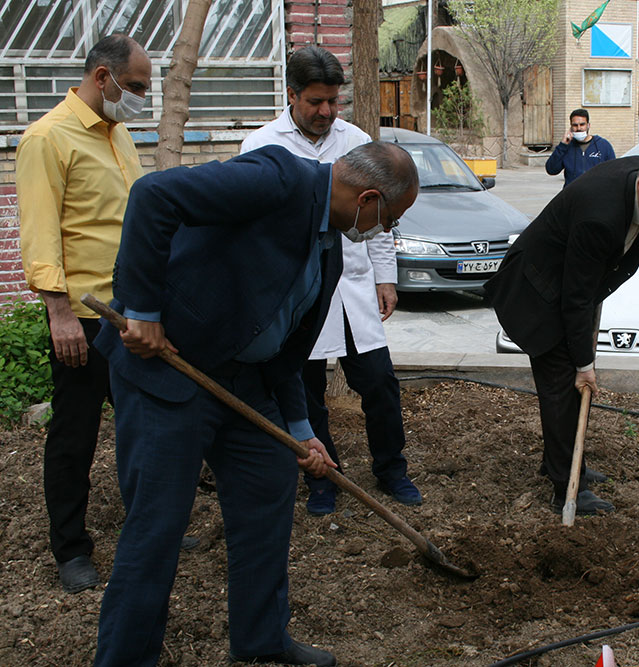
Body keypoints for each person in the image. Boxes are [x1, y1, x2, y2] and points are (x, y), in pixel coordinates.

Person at [91, 141, 419, 667]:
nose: (382, 231)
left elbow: (281, 342)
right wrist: (144, 308)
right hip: (169, 370)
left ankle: (262, 640)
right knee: (157, 526)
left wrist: (299, 426)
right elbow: (153, 195)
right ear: (369, 197)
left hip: (243, 383)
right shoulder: (277, 178)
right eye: (389, 219)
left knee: (270, 478)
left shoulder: (330, 243)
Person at [241, 46, 420, 515]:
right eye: (316, 102)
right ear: (292, 95)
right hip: (297, 292)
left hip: (354, 288)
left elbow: (380, 215)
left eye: (333, 102)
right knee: (307, 391)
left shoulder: (357, 140)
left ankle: (392, 469)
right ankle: (325, 479)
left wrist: (386, 277)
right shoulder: (262, 146)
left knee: (379, 383)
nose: (326, 112)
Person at [486, 147, 639, 514]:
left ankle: (567, 463)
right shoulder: (599, 218)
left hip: (567, 287)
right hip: (537, 295)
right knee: (563, 388)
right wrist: (585, 363)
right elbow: (576, 299)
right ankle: (566, 488)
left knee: (569, 390)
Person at [15, 34, 152, 595]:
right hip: (84, 317)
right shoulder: (47, 138)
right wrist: (59, 314)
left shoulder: (119, 137)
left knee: (143, 426)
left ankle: (149, 524)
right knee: (74, 435)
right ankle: (70, 549)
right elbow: (41, 233)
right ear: (103, 77)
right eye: (137, 87)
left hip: (130, 313)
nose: (143, 97)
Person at [545, 108, 616, 187]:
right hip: (572, 195)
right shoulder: (566, 147)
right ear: (571, 127)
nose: (579, 128)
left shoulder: (603, 145)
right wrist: (563, 145)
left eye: (582, 124)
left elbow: (613, 173)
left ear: (588, 125)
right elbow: (551, 170)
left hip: (595, 195)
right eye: (575, 125)